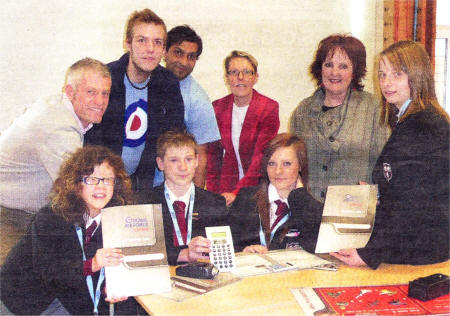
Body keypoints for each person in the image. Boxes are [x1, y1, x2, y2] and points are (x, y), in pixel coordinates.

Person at [327, 41, 449, 269]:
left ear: (417, 75)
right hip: (419, 250)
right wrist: (380, 193)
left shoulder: (422, 124)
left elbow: (412, 203)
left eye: (397, 74)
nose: (386, 82)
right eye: (382, 74)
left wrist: (369, 254)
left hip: (418, 255)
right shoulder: (413, 119)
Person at [0, 146, 140, 315]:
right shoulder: (51, 217)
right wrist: (93, 264)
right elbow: (51, 274)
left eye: (107, 180)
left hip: (71, 299)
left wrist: (110, 287)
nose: (100, 187)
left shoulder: (115, 220)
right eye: (91, 179)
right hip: (25, 300)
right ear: (76, 184)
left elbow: (107, 273)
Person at [85, 8, 185, 192]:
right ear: (127, 44)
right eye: (142, 40)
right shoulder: (106, 79)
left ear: (164, 50)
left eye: (157, 42)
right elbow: (88, 138)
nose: (150, 49)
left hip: (142, 185)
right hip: (99, 182)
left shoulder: (168, 84)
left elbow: (174, 137)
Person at [0, 58, 111, 219]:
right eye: (91, 92)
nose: (100, 102)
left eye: (105, 93)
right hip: (11, 218)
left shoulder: (57, 106)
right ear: (69, 91)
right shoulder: (59, 128)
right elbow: (83, 192)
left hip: (21, 210)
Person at [289, 34, 390, 202]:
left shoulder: (374, 108)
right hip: (310, 209)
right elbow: (293, 164)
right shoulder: (302, 111)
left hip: (355, 209)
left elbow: (386, 164)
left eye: (343, 66)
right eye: (328, 64)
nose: (334, 72)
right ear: (320, 68)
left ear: (354, 71)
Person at [138, 130, 228, 265]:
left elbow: (225, 250)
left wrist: (247, 249)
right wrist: (183, 254)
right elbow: (140, 251)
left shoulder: (215, 203)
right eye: (174, 160)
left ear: (197, 161)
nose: (183, 167)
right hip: (159, 278)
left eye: (189, 159)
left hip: (202, 280)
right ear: (160, 163)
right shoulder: (143, 204)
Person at [207, 50, 279, 206]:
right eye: (234, 72)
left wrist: (237, 193)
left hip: (258, 188)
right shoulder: (218, 107)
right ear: (227, 78)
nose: (240, 77)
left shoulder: (268, 108)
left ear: (255, 77)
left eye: (247, 72)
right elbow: (213, 158)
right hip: (225, 190)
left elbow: (261, 158)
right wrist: (214, 196)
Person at [153, 25, 220, 188]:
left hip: (169, 189)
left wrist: (196, 202)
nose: (184, 62)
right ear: (164, 52)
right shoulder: (145, 81)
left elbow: (201, 155)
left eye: (191, 56)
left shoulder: (198, 99)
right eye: (178, 52)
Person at [229, 133, 314, 253]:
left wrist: (300, 196)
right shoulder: (245, 198)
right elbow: (227, 245)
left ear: (300, 165)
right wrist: (243, 251)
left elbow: (317, 250)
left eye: (286, 164)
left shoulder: (310, 207)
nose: (278, 171)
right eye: (271, 163)